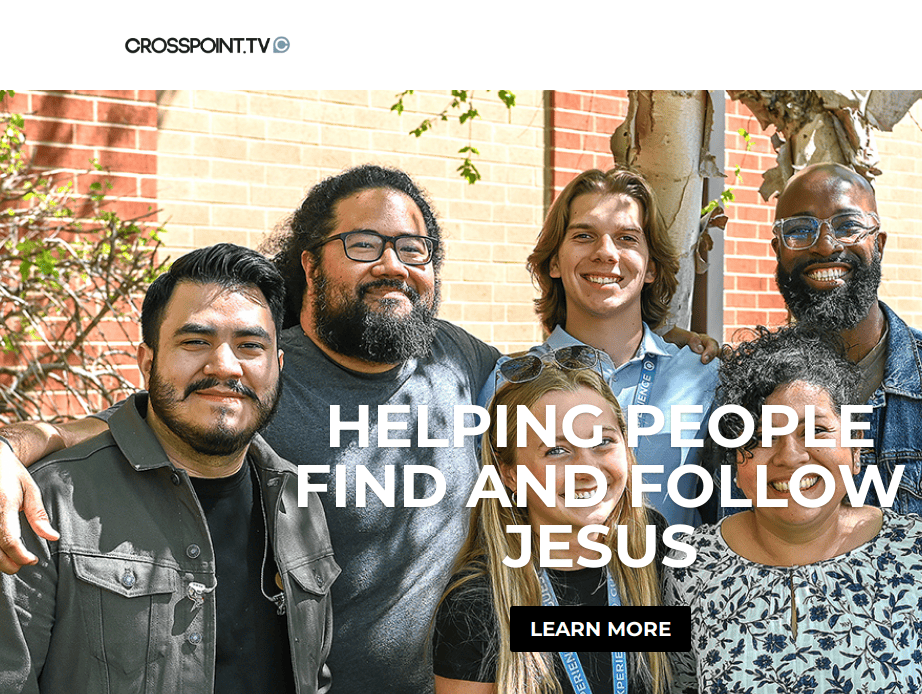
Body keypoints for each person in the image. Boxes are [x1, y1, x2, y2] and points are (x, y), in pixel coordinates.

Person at [0, 165, 502, 694]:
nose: (392, 265)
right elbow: (131, 424)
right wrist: (13, 447)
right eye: (364, 244)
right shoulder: (251, 380)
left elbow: (567, 397)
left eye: (412, 247)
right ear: (310, 263)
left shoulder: (460, 360)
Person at [0, 244, 337, 693]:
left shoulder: (297, 498)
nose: (225, 366)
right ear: (147, 362)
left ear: (276, 366)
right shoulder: (50, 504)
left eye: (250, 345)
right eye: (195, 341)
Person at [666, 327, 922, 693]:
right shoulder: (692, 567)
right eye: (763, 437)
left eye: (815, 430)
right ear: (737, 461)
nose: (791, 456)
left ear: (856, 448)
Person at [477, 168, 719, 527]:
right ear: (555, 262)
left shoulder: (702, 376)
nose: (606, 252)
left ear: (651, 267)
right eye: (584, 235)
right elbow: (492, 521)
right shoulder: (509, 383)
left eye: (627, 238)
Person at [769, 162, 922, 538]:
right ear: (778, 250)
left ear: (880, 244)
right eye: (799, 230)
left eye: (848, 226)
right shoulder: (745, 395)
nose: (826, 245)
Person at [432, 351, 670, 694]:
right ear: (510, 474)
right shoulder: (477, 604)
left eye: (603, 441)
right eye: (556, 451)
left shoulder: (655, 547)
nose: (587, 470)